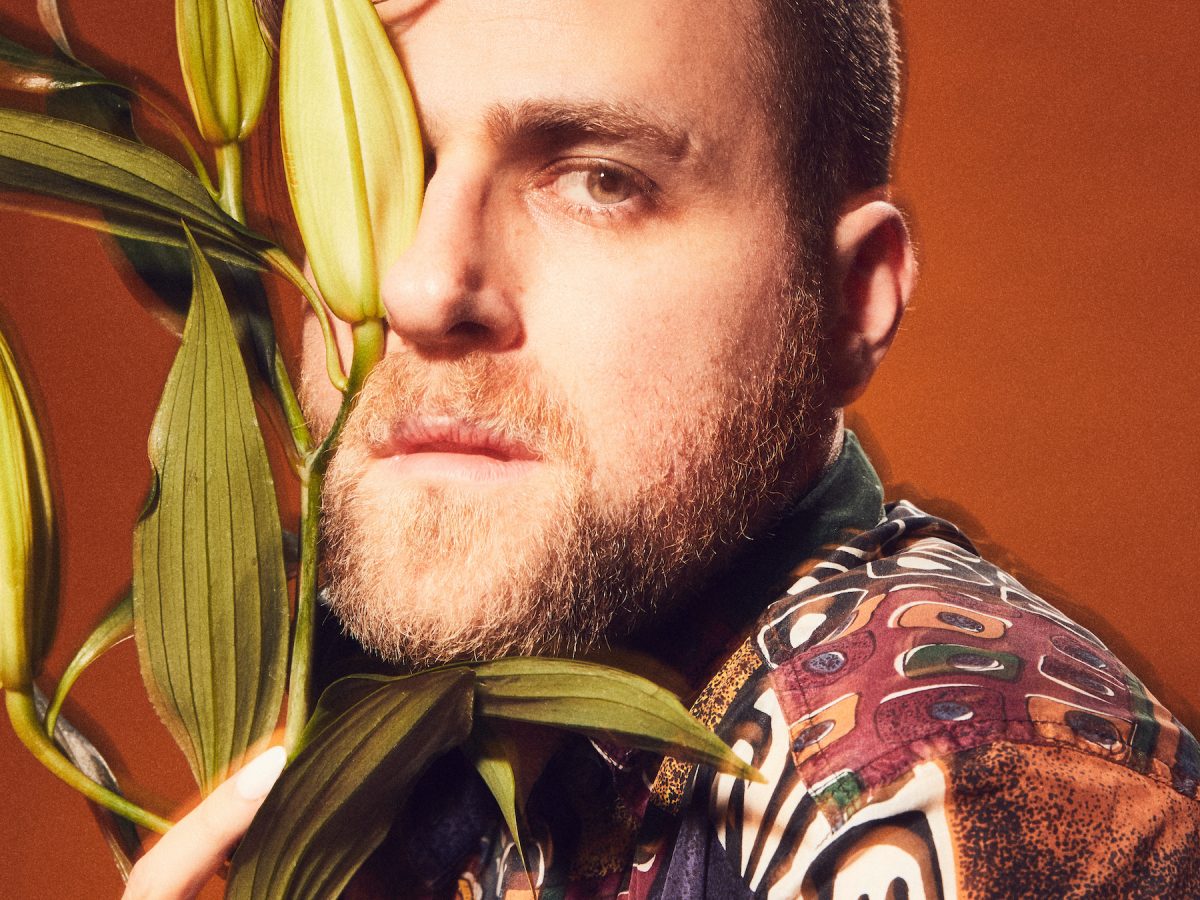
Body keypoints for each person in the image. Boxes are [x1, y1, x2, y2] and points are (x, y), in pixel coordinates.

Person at [123, 0, 1200, 896]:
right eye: (374, 170)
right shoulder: (389, 743)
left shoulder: (934, 779)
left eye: (602, 180)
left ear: (845, 302)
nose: (418, 287)